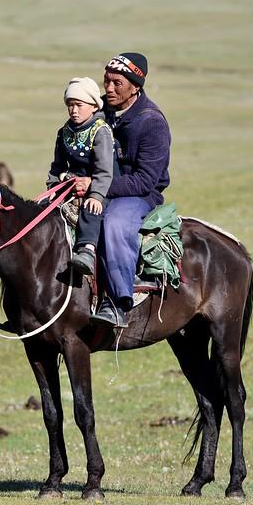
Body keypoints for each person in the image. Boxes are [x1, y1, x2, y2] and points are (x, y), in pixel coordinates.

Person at [76, 52, 172, 328]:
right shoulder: (100, 111)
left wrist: (96, 186)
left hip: (138, 195)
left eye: (117, 83)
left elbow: (144, 181)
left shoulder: (151, 122)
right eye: (106, 81)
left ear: (135, 87)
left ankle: (118, 302)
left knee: (114, 222)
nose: (108, 88)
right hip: (95, 185)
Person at [47, 77, 115, 276]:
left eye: (79, 105)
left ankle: (87, 250)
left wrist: (96, 195)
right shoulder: (64, 132)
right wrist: (52, 189)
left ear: (94, 106)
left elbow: (104, 171)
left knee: (90, 209)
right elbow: (57, 166)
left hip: (100, 185)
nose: (74, 110)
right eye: (70, 105)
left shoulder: (100, 131)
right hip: (70, 184)